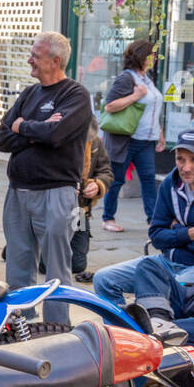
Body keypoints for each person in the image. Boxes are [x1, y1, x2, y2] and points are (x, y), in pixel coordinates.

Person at [0, 31, 92, 325]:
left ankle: (59, 331)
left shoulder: (75, 95)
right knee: (17, 268)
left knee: (57, 271)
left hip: (57, 193)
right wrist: (36, 130)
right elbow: (3, 137)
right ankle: (21, 325)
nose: (30, 61)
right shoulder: (28, 94)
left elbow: (56, 135)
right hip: (18, 192)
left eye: (35, 57)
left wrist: (23, 126)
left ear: (56, 61)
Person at [93, 127, 194, 312]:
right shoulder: (170, 183)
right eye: (180, 159)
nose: (186, 167)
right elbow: (156, 235)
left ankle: (156, 331)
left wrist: (175, 229)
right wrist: (192, 233)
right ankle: (125, 334)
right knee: (104, 279)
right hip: (167, 261)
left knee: (164, 292)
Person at [100, 38, 165, 232]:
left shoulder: (146, 78)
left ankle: (153, 220)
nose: (154, 57)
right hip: (127, 140)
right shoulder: (126, 78)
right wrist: (135, 96)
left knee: (148, 179)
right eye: (151, 54)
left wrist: (160, 134)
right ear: (141, 57)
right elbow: (109, 106)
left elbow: (152, 109)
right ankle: (108, 218)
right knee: (117, 179)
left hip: (146, 140)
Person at [131, 246, 194, 349]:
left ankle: (158, 329)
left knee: (146, 334)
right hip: (192, 298)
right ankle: (158, 318)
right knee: (148, 264)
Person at [72, 120, 114, 282]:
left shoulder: (94, 141)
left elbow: (106, 171)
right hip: (52, 209)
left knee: (77, 265)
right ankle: (30, 242)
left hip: (79, 211)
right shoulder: (54, 136)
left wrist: (97, 185)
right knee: (47, 265)